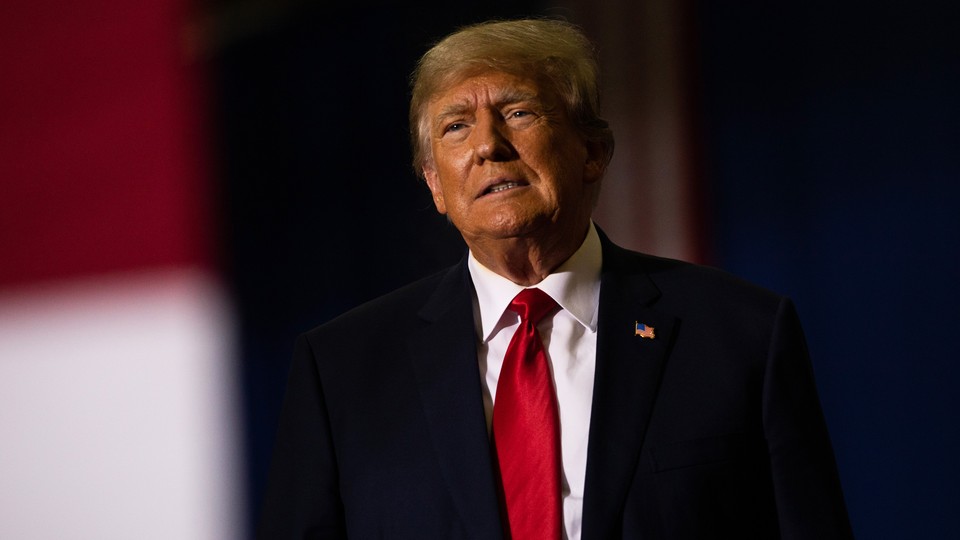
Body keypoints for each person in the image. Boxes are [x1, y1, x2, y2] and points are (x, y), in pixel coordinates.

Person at [257, 18, 852, 539]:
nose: (489, 145)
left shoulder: (739, 335)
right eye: (456, 127)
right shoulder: (342, 371)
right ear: (435, 184)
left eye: (518, 112)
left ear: (593, 151)